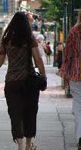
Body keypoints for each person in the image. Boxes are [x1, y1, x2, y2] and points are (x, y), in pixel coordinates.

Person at [0, 12, 46, 150]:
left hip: (12, 82)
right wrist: (43, 76)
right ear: (26, 24)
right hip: (29, 82)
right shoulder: (29, 38)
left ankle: (20, 144)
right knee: (30, 112)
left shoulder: (6, 39)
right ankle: (28, 145)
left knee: (15, 113)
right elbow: (38, 59)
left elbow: (0, 62)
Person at [59, 9, 81, 150]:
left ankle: (80, 136)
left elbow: (67, 56)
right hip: (75, 74)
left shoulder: (74, 31)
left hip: (76, 74)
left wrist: (65, 75)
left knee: (78, 106)